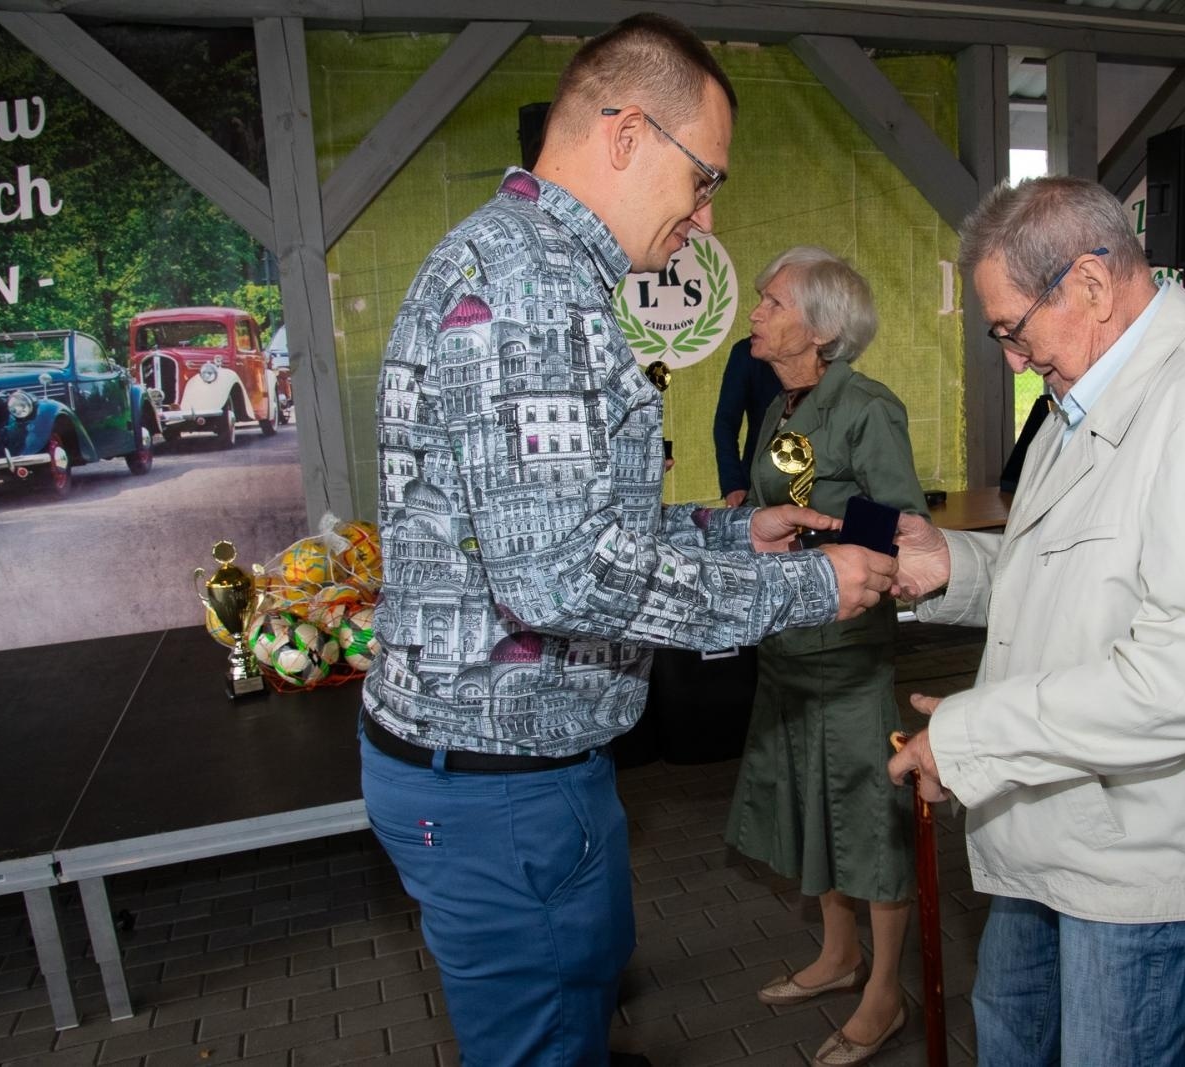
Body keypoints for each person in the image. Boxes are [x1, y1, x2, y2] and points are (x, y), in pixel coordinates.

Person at [360, 17, 899, 1065]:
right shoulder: (533, 289)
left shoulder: (524, 265)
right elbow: (559, 575)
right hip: (503, 779)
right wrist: (805, 587)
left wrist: (736, 533)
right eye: (704, 180)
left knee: (582, 1005)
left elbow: (574, 523)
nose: (705, 217)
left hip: (525, 766)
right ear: (626, 134)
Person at [886, 176, 1185, 1067]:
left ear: (1089, 284)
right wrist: (952, 568)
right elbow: (1083, 573)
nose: (1015, 360)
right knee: (1013, 1032)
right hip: (1068, 819)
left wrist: (969, 739)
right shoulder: (1091, 391)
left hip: (1146, 856)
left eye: (1013, 330)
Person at [725, 247, 926, 1067]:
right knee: (814, 804)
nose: (756, 313)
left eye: (772, 302)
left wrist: (831, 551)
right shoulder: (783, 406)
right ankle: (839, 954)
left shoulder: (867, 406)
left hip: (844, 651)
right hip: (787, 646)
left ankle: (885, 992)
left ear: (820, 327)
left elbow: (899, 518)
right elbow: (775, 504)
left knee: (869, 819)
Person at [713, 335, 783, 505]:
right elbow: (726, 422)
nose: (755, 321)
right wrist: (733, 484)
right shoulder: (748, 351)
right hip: (759, 481)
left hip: (822, 477)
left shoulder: (824, 345)